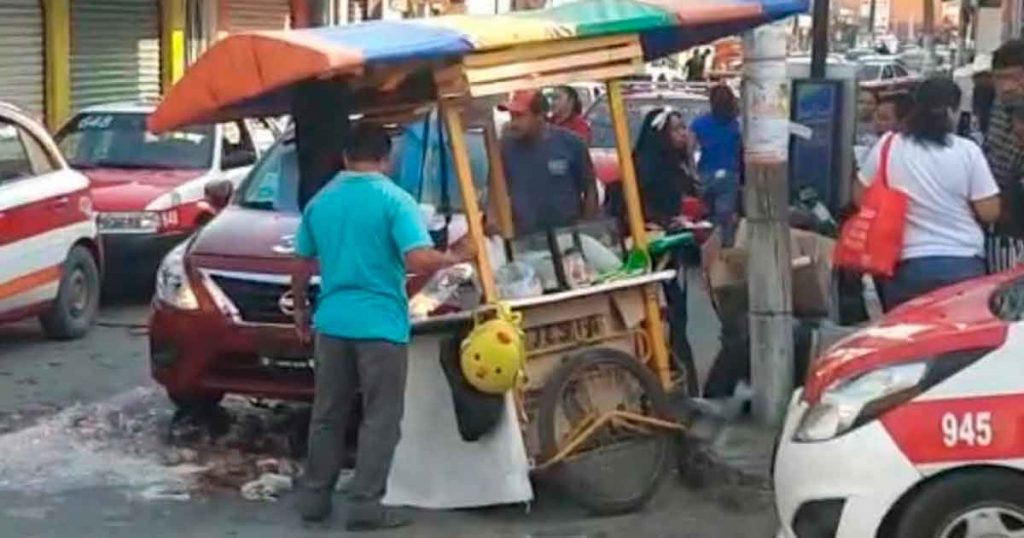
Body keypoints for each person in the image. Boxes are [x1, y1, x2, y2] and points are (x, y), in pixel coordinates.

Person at [292, 123, 473, 530]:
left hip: (332, 323)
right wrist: (453, 256)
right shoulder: (395, 200)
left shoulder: (321, 202)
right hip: (380, 326)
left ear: (344, 156)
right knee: (380, 416)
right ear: (386, 159)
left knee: (327, 414)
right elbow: (415, 260)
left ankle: (315, 498)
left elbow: (300, 263)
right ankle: (365, 504)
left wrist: (301, 311)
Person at [857, 77, 1001, 310]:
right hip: (962, 263)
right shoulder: (967, 151)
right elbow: (989, 212)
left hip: (904, 265)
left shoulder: (888, 145)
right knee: (960, 341)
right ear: (953, 111)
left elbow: (861, 196)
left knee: (909, 339)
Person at [499, 89, 598, 236]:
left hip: (566, 236)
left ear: (539, 116)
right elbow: (495, 193)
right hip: (525, 240)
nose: (514, 123)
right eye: (512, 116)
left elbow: (589, 189)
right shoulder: (505, 149)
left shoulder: (571, 144)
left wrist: (585, 229)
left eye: (520, 116)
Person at [986, 39, 1024, 266]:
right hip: (1004, 221)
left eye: (1016, 77)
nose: (1007, 86)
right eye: (1001, 79)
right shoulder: (1000, 106)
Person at [691, 84, 741, 246]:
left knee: (705, 215)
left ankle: (706, 245)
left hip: (705, 173)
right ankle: (723, 248)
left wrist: (692, 172)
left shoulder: (699, 123)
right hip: (729, 174)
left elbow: (689, 150)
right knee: (724, 217)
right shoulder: (736, 124)